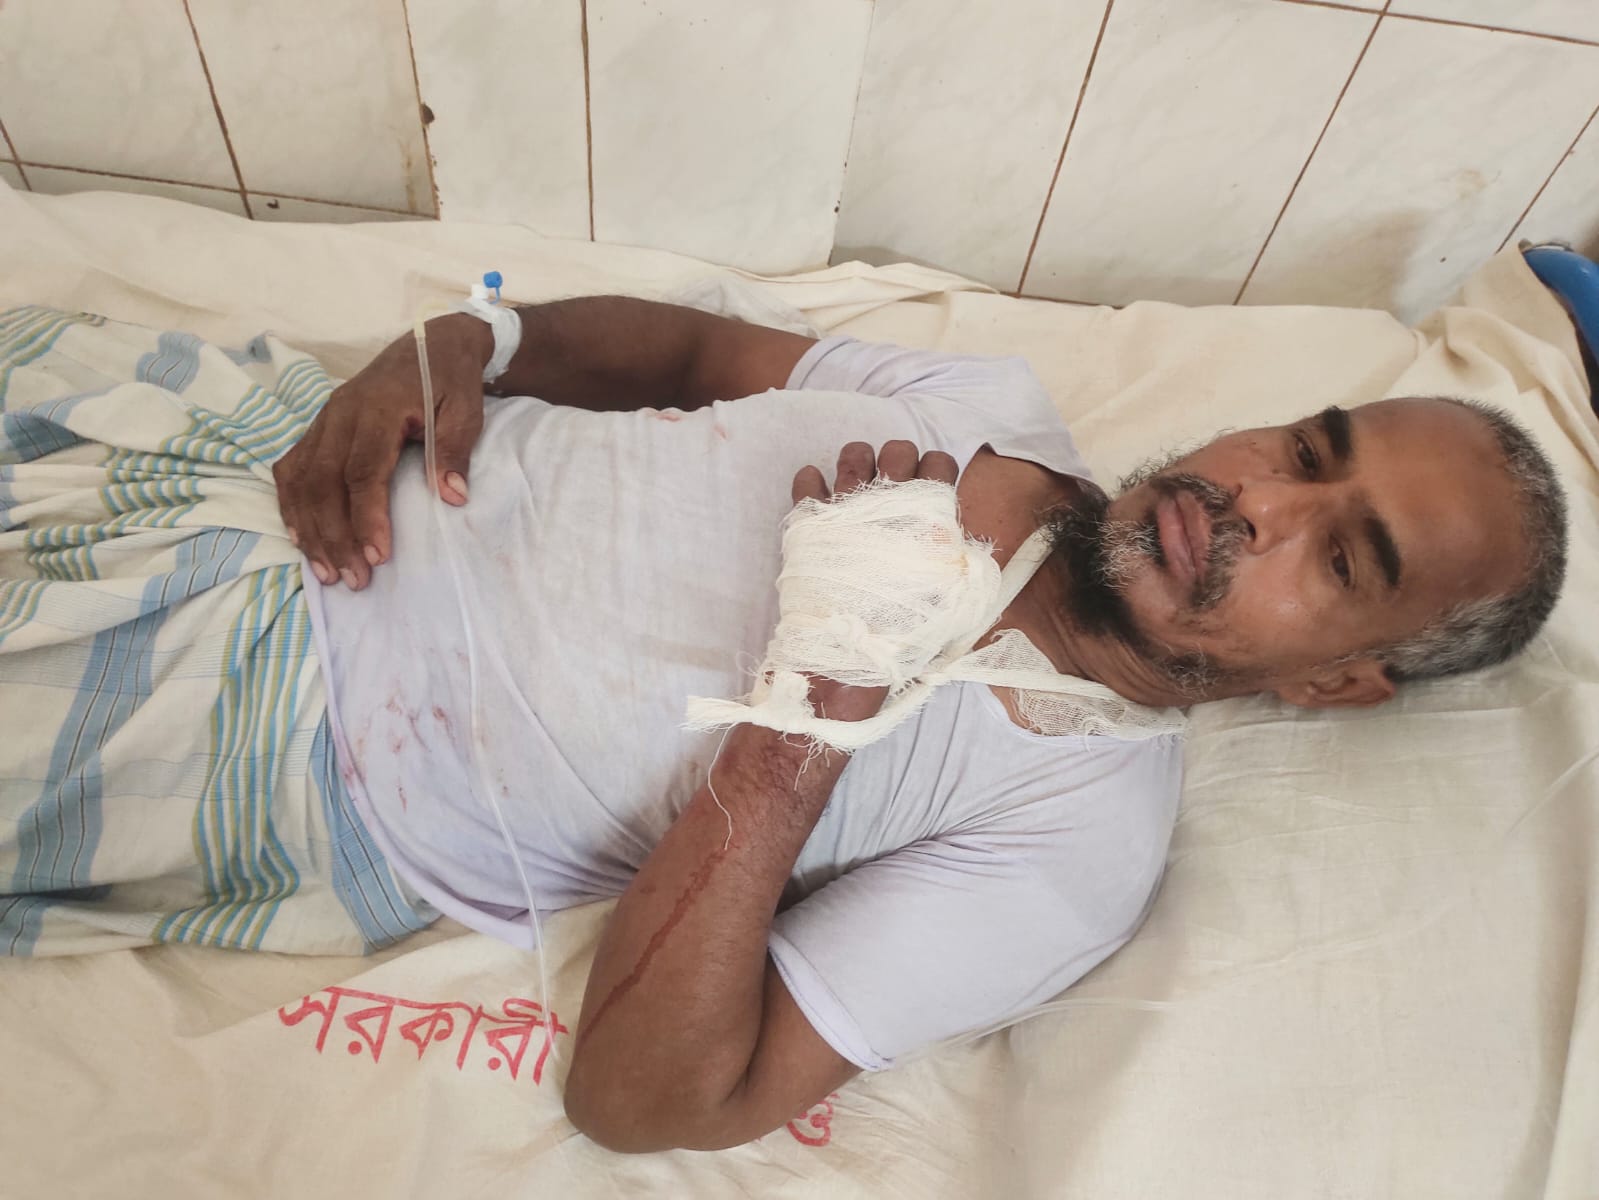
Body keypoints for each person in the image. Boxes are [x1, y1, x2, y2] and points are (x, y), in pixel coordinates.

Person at [0, 295, 1568, 1154]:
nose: (1255, 503)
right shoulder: (991, 402)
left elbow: (648, 1101)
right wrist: (473, 341)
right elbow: (691, 353)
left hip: (263, 728)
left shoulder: (1074, 846)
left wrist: (812, 709)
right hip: (255, 438)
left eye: (1340, 558)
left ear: (1337, 682)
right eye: (1306, 447)